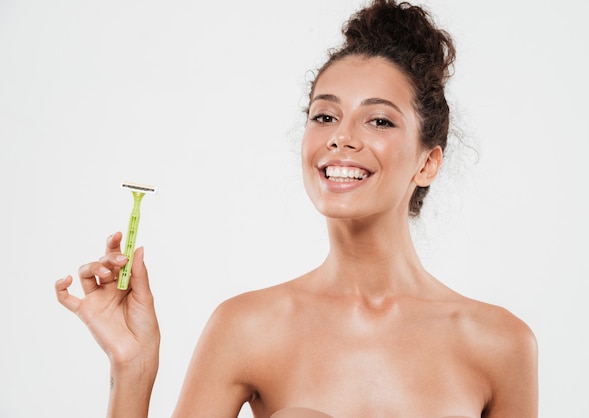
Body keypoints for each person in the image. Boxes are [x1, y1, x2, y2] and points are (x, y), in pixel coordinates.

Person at [55, 1, 538, 417]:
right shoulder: (246, 326)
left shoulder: (501, 344)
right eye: (325, 115)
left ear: (428, 162)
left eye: (379, 120)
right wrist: (131, 365)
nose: (341, 137)